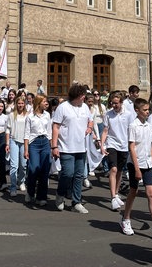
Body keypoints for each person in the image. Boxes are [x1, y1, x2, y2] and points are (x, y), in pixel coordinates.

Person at [120, 97, 152, 237]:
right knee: (133, 191)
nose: (147, 112)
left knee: (151, 194)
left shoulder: (148, 125)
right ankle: (126, 219)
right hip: (135, 164)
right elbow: (132, 147)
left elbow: (149, 145)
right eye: (144, 110)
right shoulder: (133, 126)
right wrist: (137, 168)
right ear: (137, 111)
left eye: (148, 110)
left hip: (148, 163)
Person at [51, 83, 93, 214]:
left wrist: (90, 127)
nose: (84, 98)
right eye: (82, 95)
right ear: (77, 95)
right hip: (66, 147)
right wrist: (54, 146)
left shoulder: (85, 107)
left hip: (81, 147)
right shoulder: (63, 107)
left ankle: (76, 202)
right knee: (67, 173)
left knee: (79, 175)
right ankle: (60, 194)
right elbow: (56, 127)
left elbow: (90, 120)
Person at [101, 91, 131, 211]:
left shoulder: (128, 114)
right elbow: (105, 131)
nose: (114, 105)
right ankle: (113, 197)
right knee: (113, 169)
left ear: (121, 102)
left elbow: (131, 130)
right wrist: (102, 145)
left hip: (124, 145)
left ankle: (117, 193)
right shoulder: (108, 114)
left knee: (119, 171)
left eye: (116, 103)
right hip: (112, 144)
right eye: (112, 103)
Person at [24, 94, 51, 206]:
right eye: (44, 102)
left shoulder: (47, 115)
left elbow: (49, 132)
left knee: (44, 170)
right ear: (38, 103)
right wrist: (26, 150)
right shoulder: (30, 117)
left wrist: (52, 147)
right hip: (34, 143)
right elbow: (26, 134)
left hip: (45, 142)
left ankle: (41, 196)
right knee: (34, 168)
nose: (46, 104)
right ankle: (30, 192)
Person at [6, 95, 28, 196]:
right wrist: (7, 143)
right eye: (18, 103)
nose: (20, 105)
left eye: (22, 103)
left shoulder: (28, 115)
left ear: (24, 104)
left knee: (23, 165)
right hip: (14, 140)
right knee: (14, 166)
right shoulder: (11, 115)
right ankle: (13, 186)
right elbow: (8, 129)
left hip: (24, 142)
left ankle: (22, 181)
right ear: (16, 104)